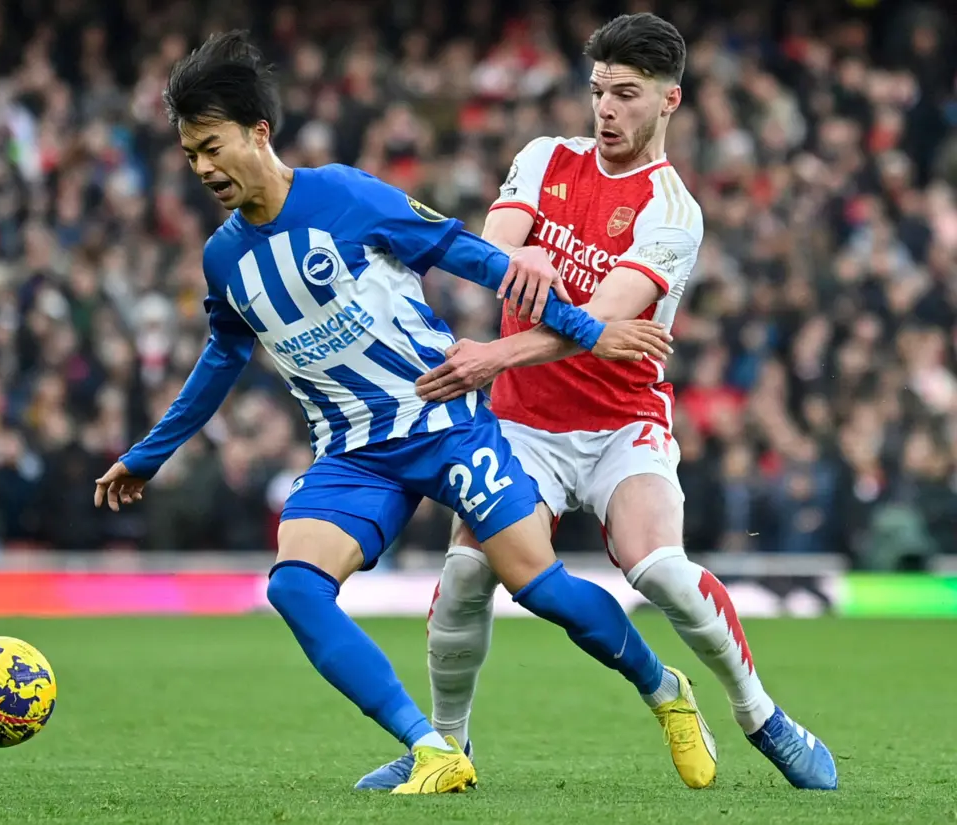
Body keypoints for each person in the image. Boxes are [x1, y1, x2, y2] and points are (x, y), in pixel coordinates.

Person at [93, 30, 708, 794]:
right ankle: (432, 747)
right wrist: (148, 454)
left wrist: (590, 330)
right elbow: (222, 358)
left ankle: (663, 689)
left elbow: (469, 253)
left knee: (539, 587)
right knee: (294, 587)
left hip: (445, 420)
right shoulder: (224, 259)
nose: (203, 169)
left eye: (212, 147)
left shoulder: (346, 195)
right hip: (352, 450)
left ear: (259, 132)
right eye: (190, 156)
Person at [357, 13, 837, 792]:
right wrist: (524, 259)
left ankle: (763, 716)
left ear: (670, 100)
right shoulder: (544, 159)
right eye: (598, 91)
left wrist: (495, 351)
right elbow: (494, 251)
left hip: (621, 423)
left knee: (661, 570)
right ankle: (445, 748)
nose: (606, 109)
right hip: (521, 424)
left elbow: (602, 327)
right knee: (466, 574)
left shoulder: (673, 211)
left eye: (626, 94)